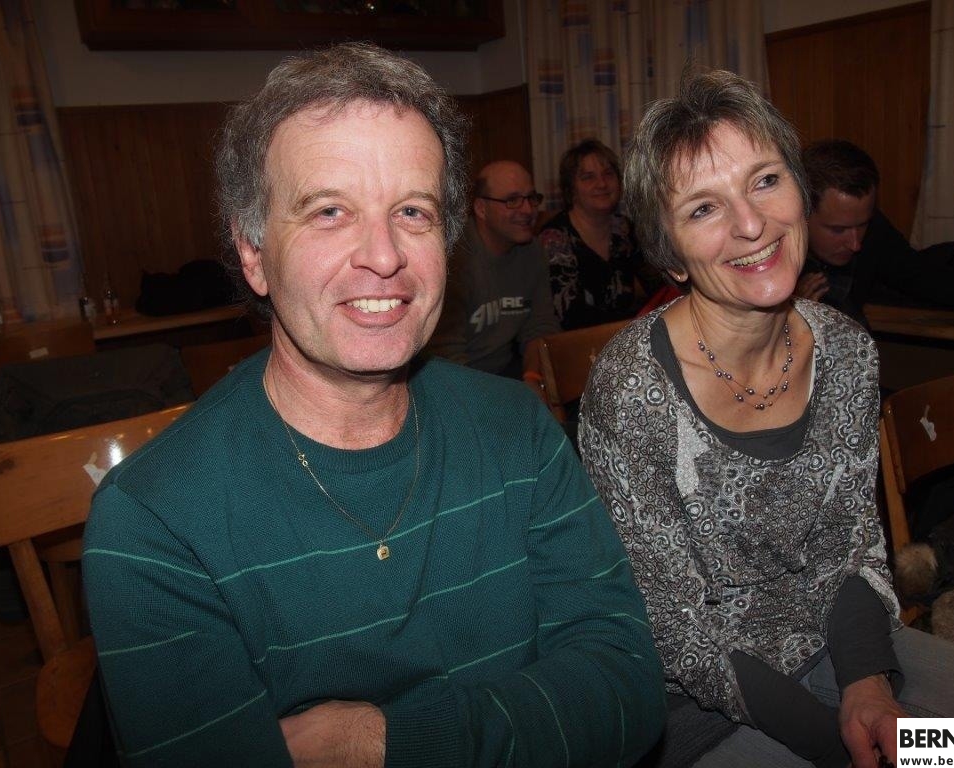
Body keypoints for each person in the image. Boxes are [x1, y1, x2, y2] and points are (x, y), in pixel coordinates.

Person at [81, 43, 666, 767]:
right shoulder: (153, 521)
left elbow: (626, 692)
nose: (384, 256)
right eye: (330, 211)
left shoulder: (518, 429)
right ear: (254, 252)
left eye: (413, 211)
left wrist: (380, 742)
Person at [579, 70, 954, 768]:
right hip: (706, 704)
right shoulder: (631, 388)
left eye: (765, 180)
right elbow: (674, 628)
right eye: (703, 208)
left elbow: (851, 542)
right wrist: (841, 748)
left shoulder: (845, 350)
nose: (752, 224)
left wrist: (868, 686)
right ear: (670, 253)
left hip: (843, 649)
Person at [796, 139, 954, 325]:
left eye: (862, 225)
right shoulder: (779, 256)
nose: (855, 244)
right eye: (838, 230)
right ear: (800, 213)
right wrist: (787, 320)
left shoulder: (874, 231)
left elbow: (928, 280)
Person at [425, 160, 560, 378]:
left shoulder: (532, 251)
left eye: (531, 198)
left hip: (505, 375)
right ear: (481, 209)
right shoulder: (454, 257)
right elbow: (446, 353)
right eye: (512, 200)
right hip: (454, 378)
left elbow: (540, 327)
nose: (528, 210)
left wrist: (533, 378)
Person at [538, 139, 660, 329]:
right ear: (571, 189)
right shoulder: (555, 238)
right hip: (579, 341)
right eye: (588, 177)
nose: (602, 183)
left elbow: (657, 285)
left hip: (626, 335)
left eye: (608, 174)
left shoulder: (624, 229)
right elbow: (571, 316)